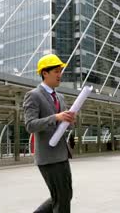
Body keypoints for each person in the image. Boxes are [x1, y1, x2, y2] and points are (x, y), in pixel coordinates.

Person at [23, 54, 76, 213]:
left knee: (65, 195)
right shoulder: (33, 95)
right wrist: (55, 117)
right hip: (47, 156)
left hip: (62, 153)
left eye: (61, 71)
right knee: (61, 198)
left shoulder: (60, 96)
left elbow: (62, 126)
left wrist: (69, 121)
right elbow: (30, 125)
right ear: (45, 73)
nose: (60, 75)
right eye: (56, 71)